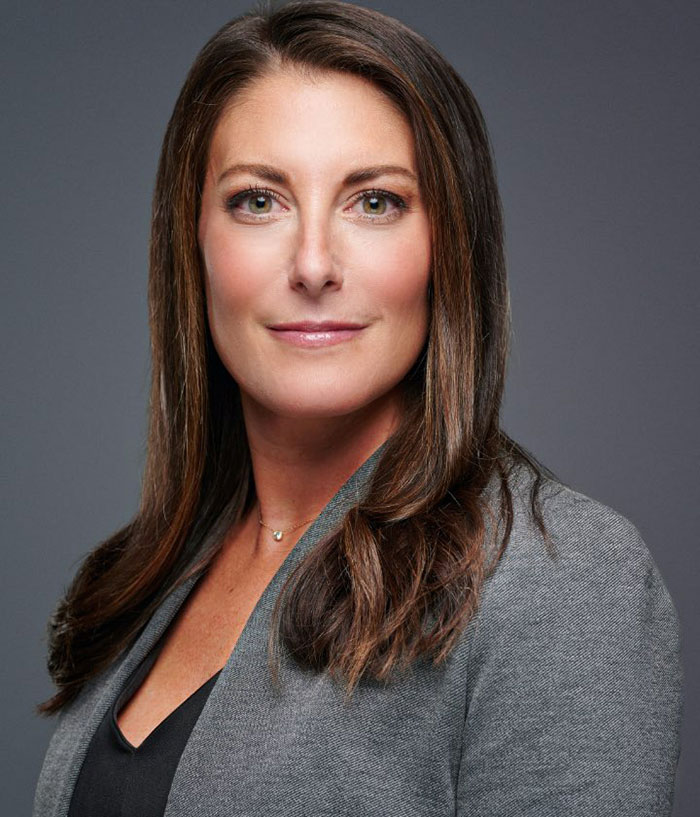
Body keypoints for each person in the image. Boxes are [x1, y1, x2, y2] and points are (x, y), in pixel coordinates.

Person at [32, 1, 683, 815]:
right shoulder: (154, 572)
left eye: (374, 201)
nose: (313, 264)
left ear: (449, 245)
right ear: (192, 243)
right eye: (257, 201)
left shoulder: (561, 579)